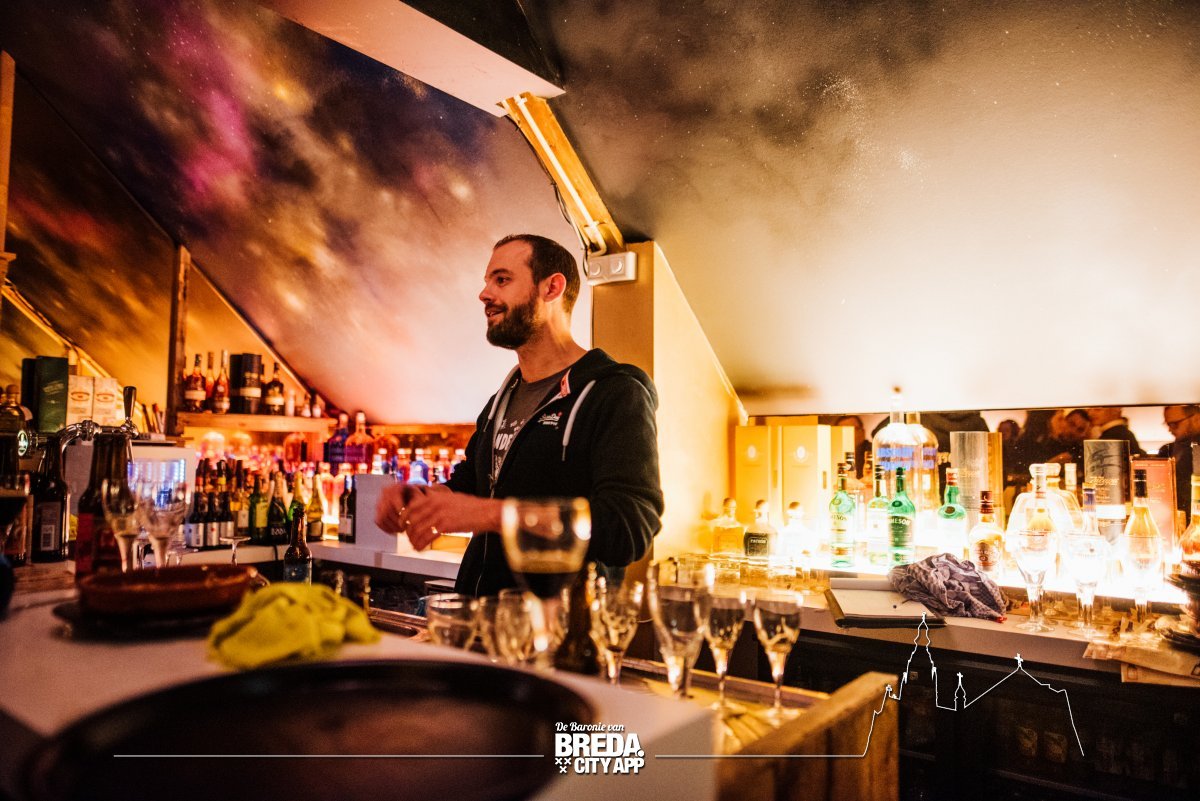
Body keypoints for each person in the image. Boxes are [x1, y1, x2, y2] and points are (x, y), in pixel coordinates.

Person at [374, 234, 664, 597]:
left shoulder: (614, 392)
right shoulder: (501, 400)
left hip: (561, 623)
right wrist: (419, 498)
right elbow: (471, 485)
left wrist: (493, 515)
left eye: (502, 279)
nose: (484, 294)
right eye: (487, 282)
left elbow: (628, 528)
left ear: (551, 288)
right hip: (481, 617)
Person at [1157, 404, 1200, 511]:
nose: (1169, 429)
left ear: (1196, 419)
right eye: (1168, 424)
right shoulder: (1166, 450)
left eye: (1174, 424)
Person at [834, 414, 870, 479]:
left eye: (852, 429)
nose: (848, 434)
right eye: (843, 430)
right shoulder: (832, 454)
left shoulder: (872, 452)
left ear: (862, 432)